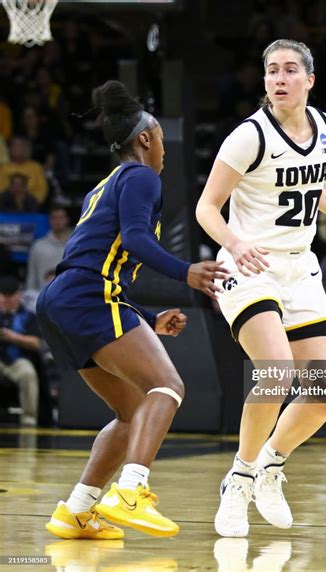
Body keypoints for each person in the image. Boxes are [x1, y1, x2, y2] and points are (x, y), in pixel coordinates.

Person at [196, 39, 326, 537]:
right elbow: (206, 207)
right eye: (271, 70)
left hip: (300, 269)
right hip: (247, 264)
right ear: (264, 82)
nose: (279, 78)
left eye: (290, 70)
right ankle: (238, 479)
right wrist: (235, 242)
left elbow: (317, 189)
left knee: (325, 393)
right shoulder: (247, 137)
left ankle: (270, 465)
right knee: (275, 373)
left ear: (309, 80)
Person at [37, 81, 228, 540]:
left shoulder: (102, 187)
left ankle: (77, 510)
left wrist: (145, 314)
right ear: (145, 139)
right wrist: (187, 272)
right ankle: (130, 492)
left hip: (62, 300)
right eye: (159, 137)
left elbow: (99, 263)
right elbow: (139, 240)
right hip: (86, 297)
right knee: (167, 384)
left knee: (132, 411)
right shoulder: (142, 176)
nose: (162, 147)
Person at [0, 275, 41, 426]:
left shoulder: (29, 316)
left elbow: (36, 343)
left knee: (28, 374)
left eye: (11, 295)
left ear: (19, 295)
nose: (8, 299)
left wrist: (13, 337)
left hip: (17, 360)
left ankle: (29, 419)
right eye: (4, 296)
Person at [26, 207, 71, 291]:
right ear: (49, 221)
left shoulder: (76, 245)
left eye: (61, 218)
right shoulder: (38, 246)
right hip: (43, 297)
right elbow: (32, 277)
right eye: (54, 218)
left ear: (67, 219)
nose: (58, 222)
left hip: (70, 297)